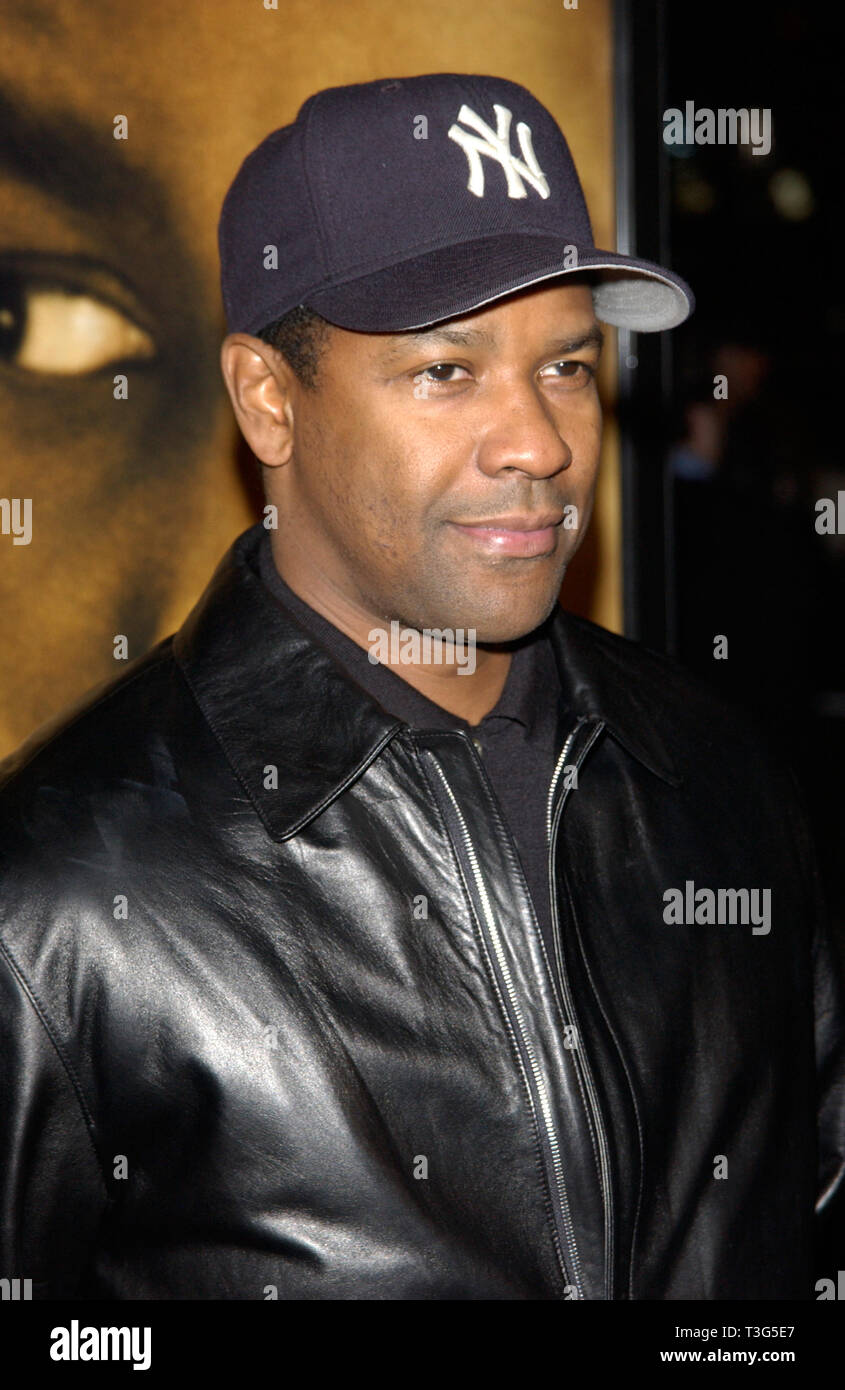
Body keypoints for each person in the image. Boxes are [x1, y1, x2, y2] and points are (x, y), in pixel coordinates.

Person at [0, 72, 842, 1301]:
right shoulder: (56, 897)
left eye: (565, 364)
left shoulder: (715, 774)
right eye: (447, 372)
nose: (540, 443)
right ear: (268, 401)